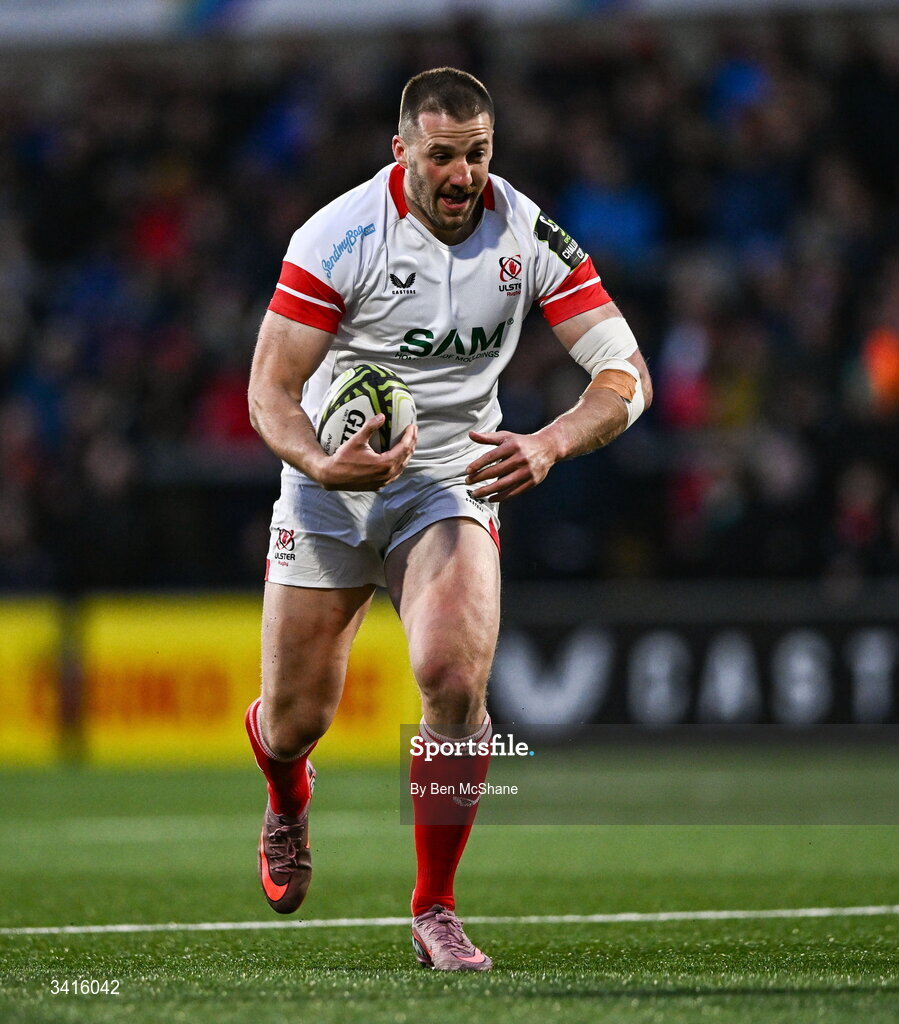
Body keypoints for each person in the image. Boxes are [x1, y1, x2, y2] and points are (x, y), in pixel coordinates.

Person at [244, 67, 652, 971]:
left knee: (452, 678)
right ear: (401, 153)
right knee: (294, 720)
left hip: (449, 480)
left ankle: (435, 908)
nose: (462, 174)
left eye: (476, 154)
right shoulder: (337, 236)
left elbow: (626, 375)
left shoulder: (527, 232)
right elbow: (268, 390)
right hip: (329, 483)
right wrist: (317, 459)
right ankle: (285, 790)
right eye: (441, 156)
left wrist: (547, 443)